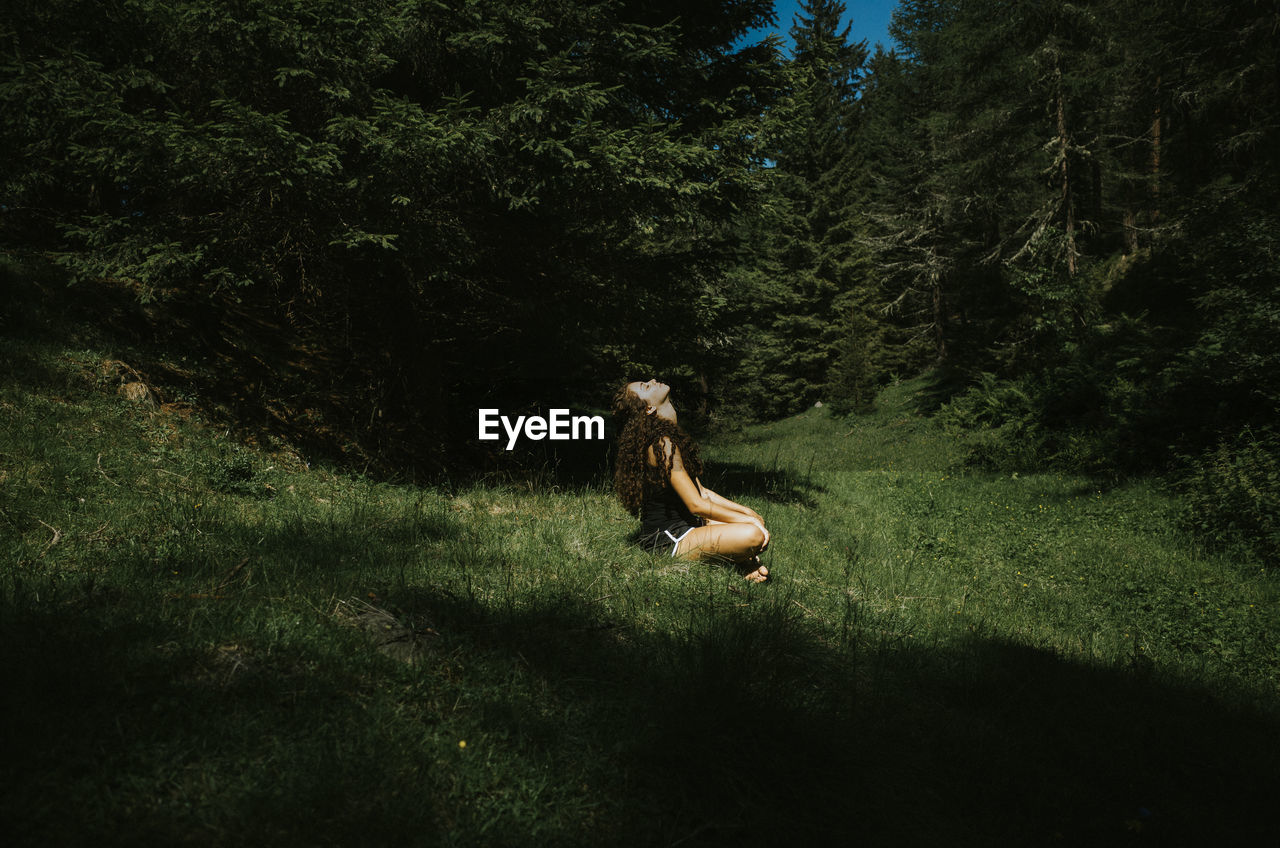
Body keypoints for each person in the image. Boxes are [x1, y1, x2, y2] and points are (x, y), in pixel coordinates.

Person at [612, 379, 771, 583]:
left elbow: (703, 492)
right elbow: (696, 504)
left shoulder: (667, 437)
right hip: (669, 541)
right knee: (752, 534)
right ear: (649, 408)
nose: (652, 380)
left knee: (754, 520)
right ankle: (740, 562)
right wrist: (747, 521)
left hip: (690, 525)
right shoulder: (662, 444)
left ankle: (742, 562)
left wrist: (747, 512)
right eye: (646, 386)